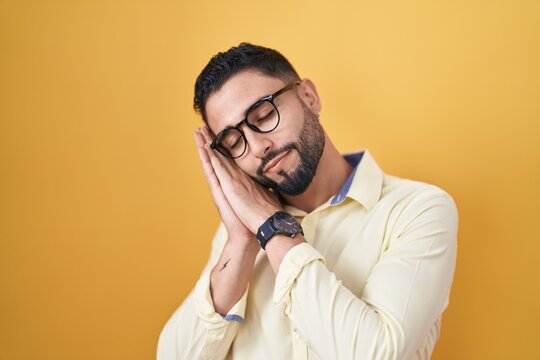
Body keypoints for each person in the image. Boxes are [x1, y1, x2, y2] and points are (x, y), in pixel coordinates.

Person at [157, 42, 458, 360]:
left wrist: (273, 228)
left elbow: (374, 354)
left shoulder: (418, 209)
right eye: (234, 142)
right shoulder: (239, 232)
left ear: (308, 97)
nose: (258, 146)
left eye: (263, 115)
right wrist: (241, 243)